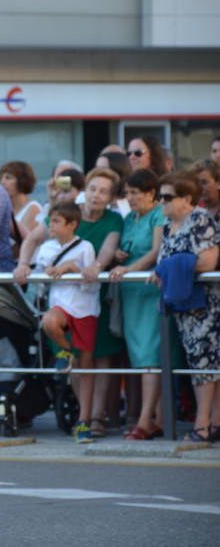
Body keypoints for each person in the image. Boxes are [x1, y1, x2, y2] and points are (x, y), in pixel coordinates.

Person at [16, 168, 124, 438]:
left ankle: (94, 416)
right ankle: (84, 415)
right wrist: (22, 265)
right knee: (74, 357)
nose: (96, 195)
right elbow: (34, 237)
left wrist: (95, 266)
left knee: (98, 358)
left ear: (111, 197)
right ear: (84, 189)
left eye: (103, 191)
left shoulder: (113, 219)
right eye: (93, 188)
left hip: (92, 295)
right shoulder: (67, 210)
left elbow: (108, 249)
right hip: (63, 300)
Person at [152, 173, 220, 442]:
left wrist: (167, 268)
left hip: (206, 305)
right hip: (183, 307)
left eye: (168, 197)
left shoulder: (200, 219)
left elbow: (207, 262)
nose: (162, 202)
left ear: (187, 199)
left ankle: (202, 424)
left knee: (205, 364)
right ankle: (213, 422)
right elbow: (163, 262)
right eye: (160, 196)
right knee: (202, 364)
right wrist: (163, 270)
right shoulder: (168, 226)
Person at [108, 169, 166, 440]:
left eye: (135, 193)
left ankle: (145, 422)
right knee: (141, 360)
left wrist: (129, 268)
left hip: (149, 293)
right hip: (131, 295)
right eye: (127, 193)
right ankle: (159, 419)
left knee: (151, 359)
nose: (129, 198)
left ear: (151, 193)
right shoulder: (130, 218)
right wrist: (121, 256)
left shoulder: (159, 214)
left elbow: (156, 252)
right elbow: (130, 247)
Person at [35, 202, 100, 443]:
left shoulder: (85, 247)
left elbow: (91, 283)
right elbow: (39, 278)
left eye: (56, 221)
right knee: (49, 322)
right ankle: (65, 349)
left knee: (85, 365)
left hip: (84, 308)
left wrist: (72, 267)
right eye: (50, 221)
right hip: (60, 304)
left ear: (72, 224)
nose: (51, 225)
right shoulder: (46, 248)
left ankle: (84, 420)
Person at [0, 160, 41, 233]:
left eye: (8, 178)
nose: (2, 182)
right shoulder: (4, 207)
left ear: (21, 181)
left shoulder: (33, 208)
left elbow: (26, 242)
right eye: (1, 178)